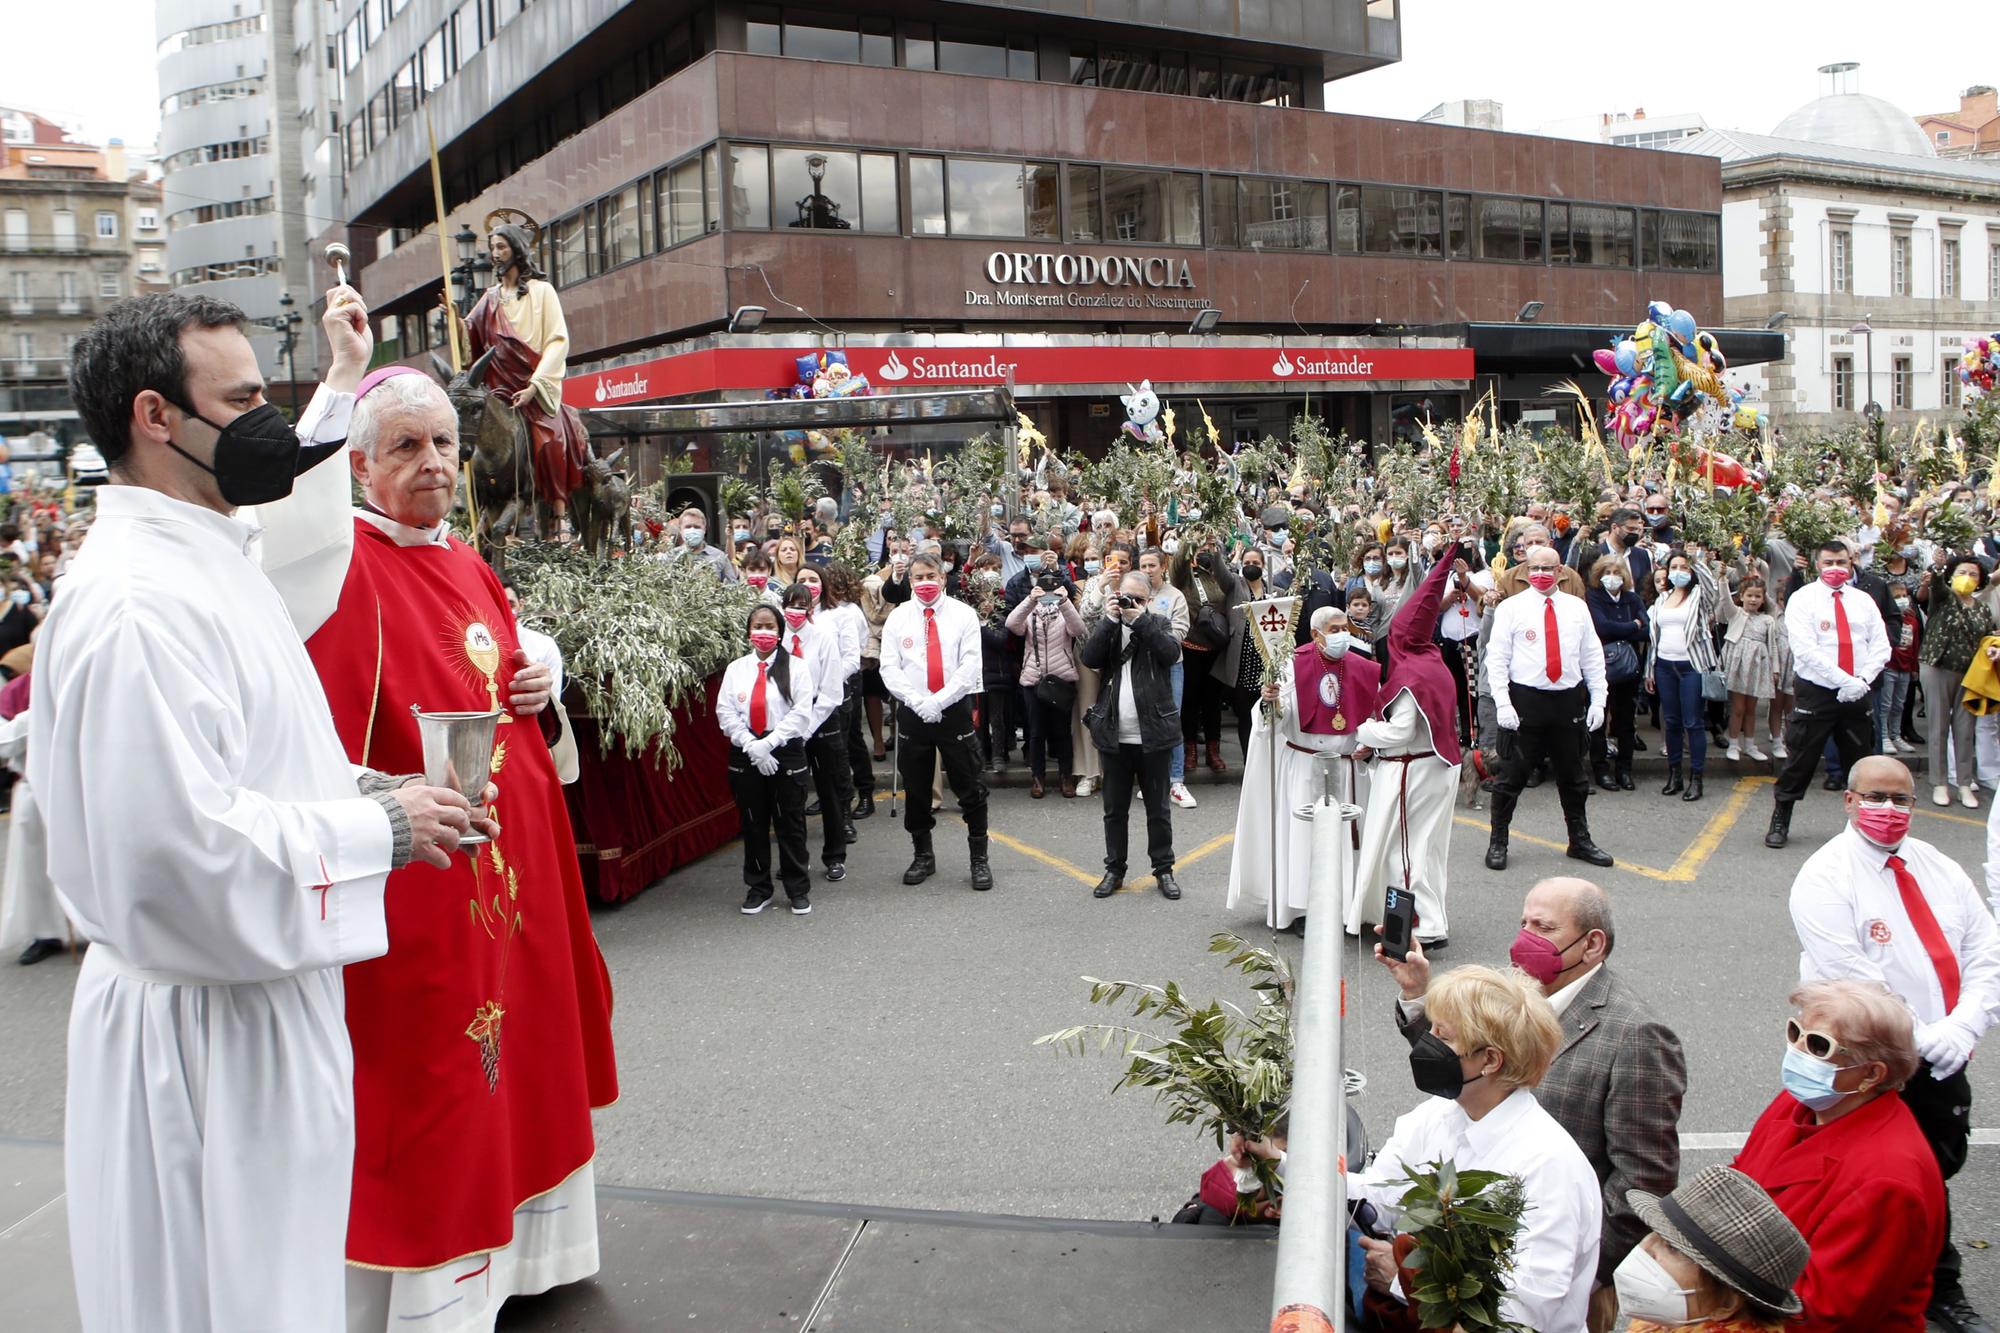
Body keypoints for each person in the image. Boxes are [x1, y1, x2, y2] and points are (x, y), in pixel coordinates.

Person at [39, 291, 477, 1331]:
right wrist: (381, 830)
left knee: (280, 1290)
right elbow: (174, 855)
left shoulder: (212, 556)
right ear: (157, 417)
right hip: (202, 1037)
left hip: (258, 1011)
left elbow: (253, 759)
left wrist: (368, 790)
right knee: (223, 1299)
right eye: (240, 400)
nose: (265, 422)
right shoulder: (140, 603)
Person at [255, 363, 619, 1327]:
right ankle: (436, 1295)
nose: (433, 464)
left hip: (515, 868)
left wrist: (541, 680)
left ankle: (533, 1256)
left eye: (445, 445)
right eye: (407, 447)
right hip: (422, 878)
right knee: (441, 1075)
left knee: (525, 1056)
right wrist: (335, 374)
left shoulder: (467, 559)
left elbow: (506, 664)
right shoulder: (338, 569)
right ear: (361, 463)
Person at [1380, 878, 1687, 1332]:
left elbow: (1645, 1181)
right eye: (1523, 922)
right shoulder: (1519, 988)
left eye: (1542, 927)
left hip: (1557, 1275)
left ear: (1592, 944)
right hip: (1476, 1251)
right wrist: (1419, 995)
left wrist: (1581, 1276)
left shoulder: (1636, 1035)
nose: (1525, 938)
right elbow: (1461, 1063)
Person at [1788, 756, 1999, 1333]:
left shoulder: (1935, 866)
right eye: (1876, 798)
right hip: (1867, 1067)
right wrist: (1929, 1038)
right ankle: (1915, 1290)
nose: (1889, 810)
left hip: (1940, 1059)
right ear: (1850, 802)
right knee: (1866, 1180)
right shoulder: (1825, 878)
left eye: (1901, 799)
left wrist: (1965, 1026)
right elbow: (1855, 979)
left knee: (1932, 1167)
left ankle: (1923, 1281)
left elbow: (1985, 948)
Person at [1350, 964, 1601, 1333]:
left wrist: (1403, 1279)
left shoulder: (1548, 1167)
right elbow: (1378, 1199)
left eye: (1442, 1036)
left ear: (1490, 1060)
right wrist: (1281, 1167)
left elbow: (1520, 1313)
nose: (1426, 1043)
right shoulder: (1439, 1114)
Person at [1733, 979, 1946, 1331]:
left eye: (1819, 1045)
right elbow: (1735, 1185)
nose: (1797, 1050)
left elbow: (1821, 1311)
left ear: (1871, 1074)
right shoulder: (1800, 1104)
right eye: (1795, 1031)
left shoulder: (1888, 1182)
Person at [1229, 606, 1378, 932]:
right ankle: (1303, 908)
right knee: (1303, 840)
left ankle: (1345, 906)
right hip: (1304, 765)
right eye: (1335, 628)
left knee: (1344, 840)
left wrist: (1370, 743)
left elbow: (1373, 716)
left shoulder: (1361, 666)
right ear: (1315, 634)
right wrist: (1271, 702)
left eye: (1345, 627)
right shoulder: (1291, 665)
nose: (1343, 634)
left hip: (1346, 768)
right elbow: (1273, 724)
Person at [1348, 551, 1463, 942]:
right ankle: (1428, 918)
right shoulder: (1433, 663)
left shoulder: (1411, 673)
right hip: (1434, 765)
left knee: (1404, 852)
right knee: (1423, 847)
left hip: (1413, 767)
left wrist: (1365, 731)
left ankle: (1419, 926)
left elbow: (1400, 731)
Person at [1485, 544, 1614, 871]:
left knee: (1573, 776)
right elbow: (1497, 659)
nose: (1541, 574)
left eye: (1548, 569)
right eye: (1534, 569)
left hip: (1567, 700)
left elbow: (1591, 656)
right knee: (1511, 777)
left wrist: (1599, 698)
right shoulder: (1511, 608)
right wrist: (1503, 702)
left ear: (1560, 572)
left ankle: (1579, 839)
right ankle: (1498, 840)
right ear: (1526, 571)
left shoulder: (1576, 608)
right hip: (1525, 701)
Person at [464, 222, 589, 534]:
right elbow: (471, 340)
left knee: (550, 440)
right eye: (492, 248)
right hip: (498, 390)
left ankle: (558, 515)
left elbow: (558, 340)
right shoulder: (490, 298)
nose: (495, 254)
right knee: (471, 439)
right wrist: (454, 318)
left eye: (501, 247)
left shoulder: (542, 291)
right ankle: (479, 507)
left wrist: (535, 386)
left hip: (533, 387)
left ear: (517, 250)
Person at [879, 552, 991, 890]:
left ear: (943, 578)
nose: (925, 583)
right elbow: (889, 667)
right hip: (914, 712)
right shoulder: (898, 618)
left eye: (931, 575)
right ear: (909, 580)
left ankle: (979, 858)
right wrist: (916, 702)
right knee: (916, 788)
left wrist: (940, 701)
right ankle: (923, 856)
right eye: (918, 577)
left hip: (953, 708)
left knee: (969, 785)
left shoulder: (963, 615)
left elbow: (969, 665)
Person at [1767, 542, 1888, 848]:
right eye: (1829, 562)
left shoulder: (1863, 601)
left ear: (1852, 563)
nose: (1836, 568)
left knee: (1861, 762)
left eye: (1842, 562)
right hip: (1818, 691)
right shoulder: (1803, 599)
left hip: (1858, 690)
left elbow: (1880, 645)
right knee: (1801, 759)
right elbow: (1806, 651)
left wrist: (1861, 680)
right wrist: (1843, 680)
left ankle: (1867, 826)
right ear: (1817, 565)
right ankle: (1781, 817)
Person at [1079, 570, 1184, 900]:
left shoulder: (1159, 624)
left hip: (1153, 733)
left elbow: (1169, 654)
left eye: (1138, 599)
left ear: (1149, 601)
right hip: (1114, 734)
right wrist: (1110, 620)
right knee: (1114, 810)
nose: (1131, 604)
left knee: (1158, 809)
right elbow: (1089, 657)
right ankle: (1114, 869)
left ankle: (1164, 870)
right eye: (1126, 597)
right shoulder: (1110, 626)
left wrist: (1141, 621)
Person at [1616, 1167, 1809, 1332]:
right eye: (1654, 1232)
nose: (1645, 1248)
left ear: (1726, 1305)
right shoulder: (1661, 1323)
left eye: (1672, 1247)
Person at [718, 604, 817, 914]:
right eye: (758, 626)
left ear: (779, 631)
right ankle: (758, 888)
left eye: (769, 626)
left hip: (784, 748)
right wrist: (751, 745)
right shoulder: (737, 669)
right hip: (746, 751)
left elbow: (801, 712)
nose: (763, 632)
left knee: (791, 823)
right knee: (753, 822)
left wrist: (770, 743)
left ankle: (797, 888)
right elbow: (725, 711)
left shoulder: (796, 668)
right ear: (749, 632)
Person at [781, 581, 855, 880]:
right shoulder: (777, 641)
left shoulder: (823, 638)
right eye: (791, 605)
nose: (796, 611)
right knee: (790, 797)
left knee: (830, 793)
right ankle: (794, 859)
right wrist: (791, 726)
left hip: (821, 721)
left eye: (802, 606)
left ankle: (834, 856)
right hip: (787, 723)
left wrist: (807, 727)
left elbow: (831, 691)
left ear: (811, 608)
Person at [1645, 548, 1724, 801]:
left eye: (1684, 568)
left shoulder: (1699, 596)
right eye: (1674, 568)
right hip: (1665, 666)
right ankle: (1675, 774)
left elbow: (1712, 589)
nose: (1679, 572)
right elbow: (1654, 639)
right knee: (1672, 722)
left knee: (1693, 722)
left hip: (1692, 666)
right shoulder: (1662, 597)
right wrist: (1650, 670)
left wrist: (1697, 560)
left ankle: (1696, 778)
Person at [1918, 555, 1994, 809]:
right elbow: (1937, 585)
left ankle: (1963, 783)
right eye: (1963, 572)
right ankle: (1940, 783)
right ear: (1952, 575)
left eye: (1974, 574)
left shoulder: (1982, 608)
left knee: (1965, 729)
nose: (1968, 578)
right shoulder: (1943, 599)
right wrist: (1938, 567)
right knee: (1938, 726)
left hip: (1970, 672)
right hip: (1937, 666)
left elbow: (1986, 638)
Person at [1006, 566, 1085, 798]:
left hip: (1061, 679)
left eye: (1053, 585)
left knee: (1062, 731)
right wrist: (1031, 600)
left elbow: (1078, 629)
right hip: (1033, 678)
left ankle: (1065, 777)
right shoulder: (1031, 610)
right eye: (1045, 585)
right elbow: (1012, 625)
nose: (1049, 589)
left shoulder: (1064, 608)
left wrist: (1064, 601)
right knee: (1036, 732)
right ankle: (1037, 778)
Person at [1137, 546, 1196, 807]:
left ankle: (1176, 781)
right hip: (1140, 666)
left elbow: (1179, 631)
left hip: (1170, 665)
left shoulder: (1175, 596)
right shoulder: (1134, 594)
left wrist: (1153, 638)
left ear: (1163, 567)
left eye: (1152, 565)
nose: (1148, 570)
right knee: (1146, 722)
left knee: (1171, 720)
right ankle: (1152, 780)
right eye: (1143, 566)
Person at [1587, 554, 1646, 791]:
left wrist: (1627, 629)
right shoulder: (1594, 597)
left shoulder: (1632, 599)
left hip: (1628, 669)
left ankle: (1624, 769)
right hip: (1601, 667)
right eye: (1607, 573)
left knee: (1625, 722)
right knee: (1599, 719)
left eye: (1617, 574)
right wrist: (1632, 626)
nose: (1612, 578)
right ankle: (1601, 770)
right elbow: (1601, 627)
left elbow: (1646, 630)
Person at [1720, 576, 1781, 763]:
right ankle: (1733, 743)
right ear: (1742, 596)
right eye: (1749, 595)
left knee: (1751, 708)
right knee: (1737, 707)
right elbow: (1725, 599)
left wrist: (1775, 669)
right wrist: (1722, 579)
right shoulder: (1736, 613)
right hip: (1738, 665)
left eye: (1758, 596)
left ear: (1763, 599)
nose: (1753, 600)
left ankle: (1750, 744)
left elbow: (1772, 646)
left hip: (1757, 665)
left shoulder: (1767, 620)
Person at [1878, 577, 1922, 756]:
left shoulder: (1912, 620)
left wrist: (1914, 667)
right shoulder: (1885, 619)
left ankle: (1896, 735)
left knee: (1899, 705)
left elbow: (1915, 644)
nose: (1903, 599)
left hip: (1905, 669)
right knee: (1885, 705)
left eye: (1905, 595)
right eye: (1898, 596)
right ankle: (1883, 736)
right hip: (1889, 666)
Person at [674, 505, 741, 582]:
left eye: (697, 527)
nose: (692, 530)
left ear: (704, 530)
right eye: (688, 527)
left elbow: (732, 586)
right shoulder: (671, 557)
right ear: (680, 530)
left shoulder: (719, 557)